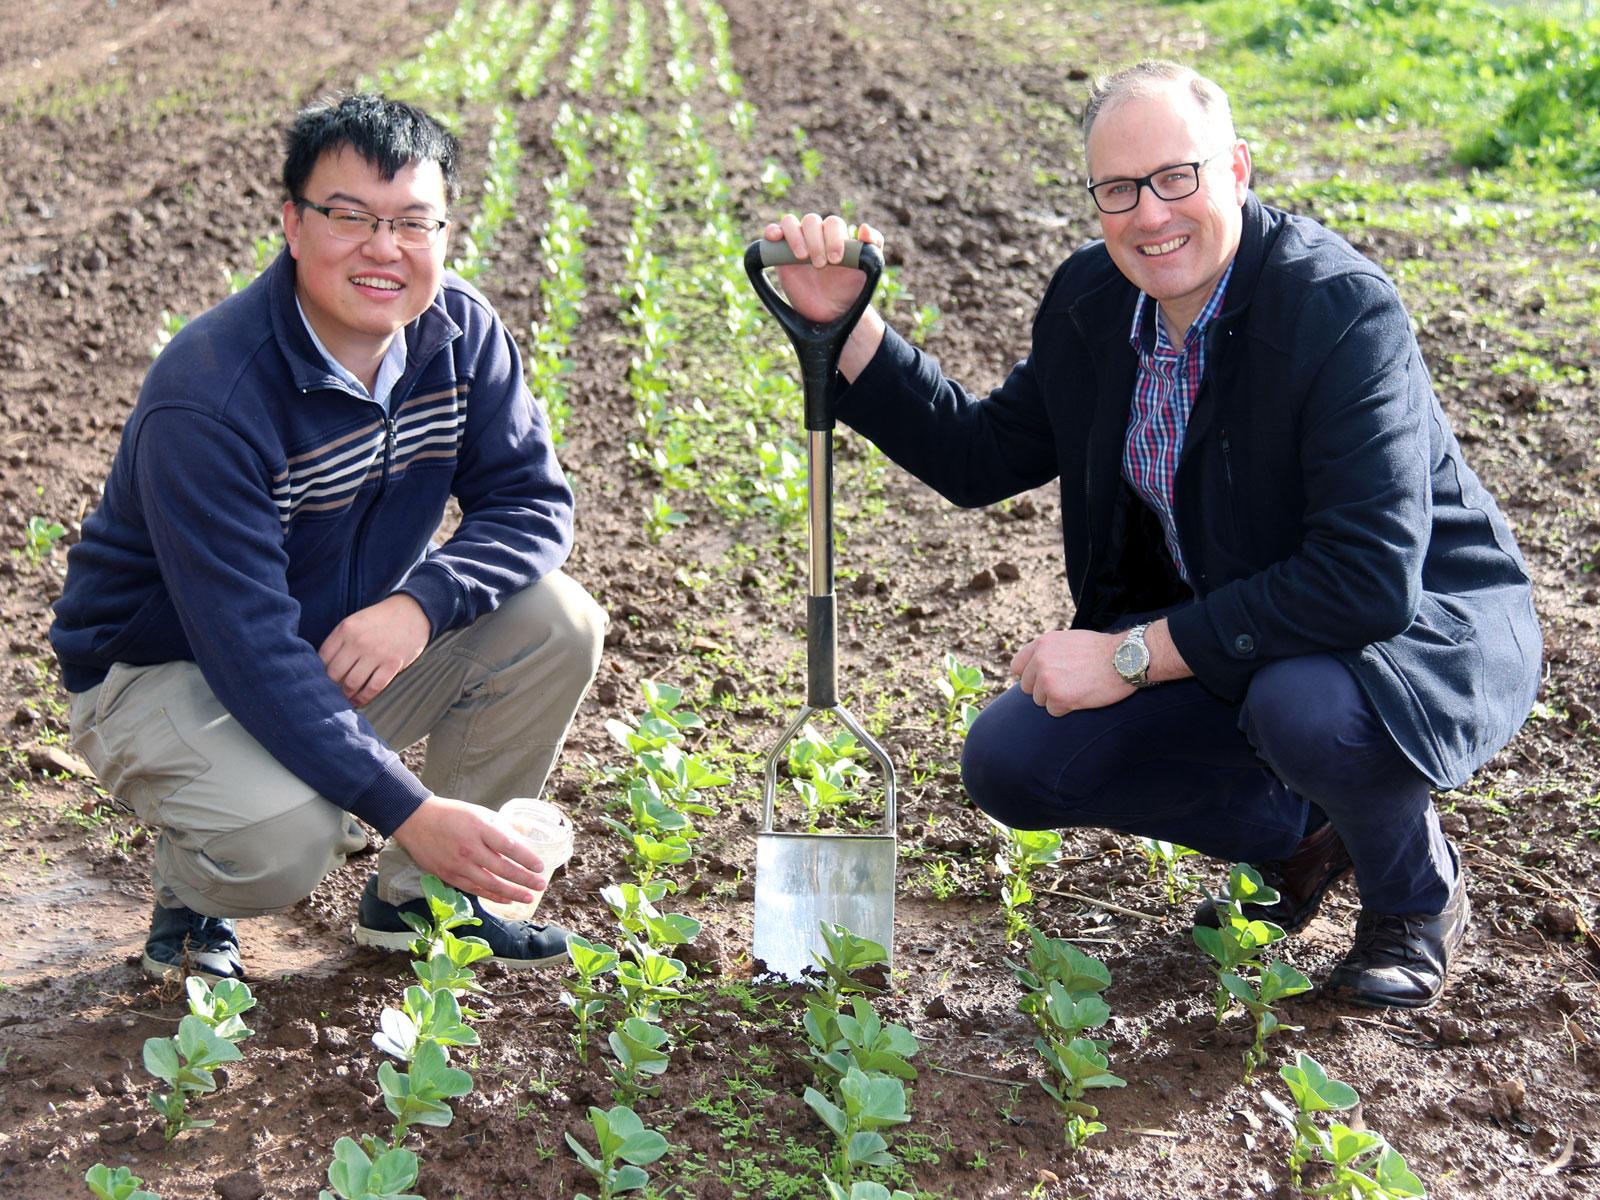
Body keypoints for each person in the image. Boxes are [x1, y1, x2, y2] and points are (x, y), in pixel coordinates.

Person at [763, 60, 1540, 1010]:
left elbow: (1367, 581)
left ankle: (1413, 897)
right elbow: (980, 455)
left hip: (1415, 629)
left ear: (1239, 171)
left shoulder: (1336, 309)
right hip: (1239, 624)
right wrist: (847, 329)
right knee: (1014, 761)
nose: (1150, 214)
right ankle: (1304, 836)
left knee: (1304, 707)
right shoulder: (1095, 304)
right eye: (1118, 190)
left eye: (1179, 176)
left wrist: (1131, 655)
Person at [51, 94, 606, 983]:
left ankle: (419, 901)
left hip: (328, 644)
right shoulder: (212, 394)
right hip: (160, 671)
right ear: (293, 225)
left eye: (412, 223)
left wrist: (420, 606)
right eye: (349, 217)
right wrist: (410, 808)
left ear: (444, 232)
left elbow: (532, 503)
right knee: (284, 839)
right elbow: (247, 649)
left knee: (557, 623)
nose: (384, 249)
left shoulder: (458, 336)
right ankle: (194, 895)